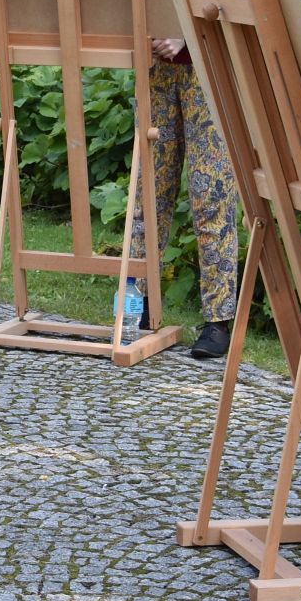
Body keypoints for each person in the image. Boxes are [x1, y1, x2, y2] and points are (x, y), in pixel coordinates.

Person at [127, 35, 241, 360]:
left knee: (212, 195)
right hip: (155, 69)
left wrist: (187, 37)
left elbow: (230, 5)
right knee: (148, 193)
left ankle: (217, 322)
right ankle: (139, 304)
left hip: (209, 68)